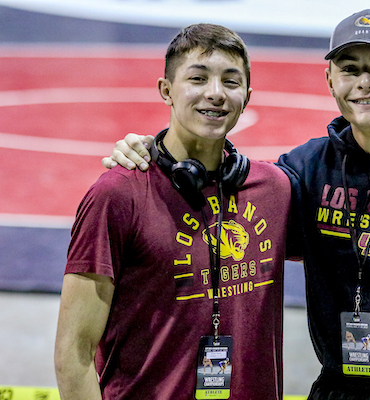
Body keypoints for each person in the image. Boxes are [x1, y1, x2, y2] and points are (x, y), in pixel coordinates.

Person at [103, 9, 370, 400]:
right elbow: (231, 187)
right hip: (337, 389)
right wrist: (153, 152)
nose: (366, 82)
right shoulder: (306, 170)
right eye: (350, 69)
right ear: (330, 79)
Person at [54, 23, 291, 400]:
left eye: (231, 82)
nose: (215, 94)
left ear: (247, 95)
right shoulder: (118, 194)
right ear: (166, 90)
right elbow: (74, 353)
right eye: (197, 78)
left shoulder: (274, 191)